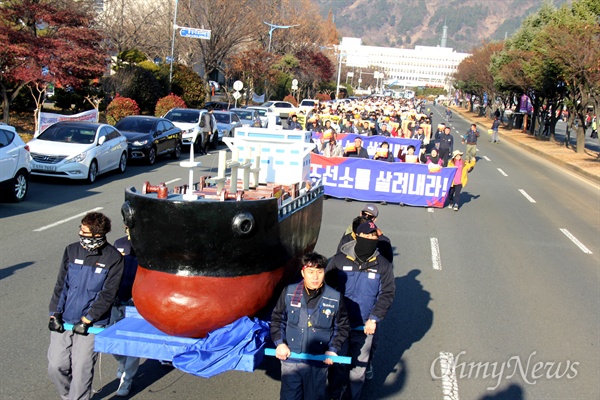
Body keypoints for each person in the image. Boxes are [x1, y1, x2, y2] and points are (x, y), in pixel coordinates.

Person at [47, 212, 124, 400]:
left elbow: (108, 294)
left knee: (81, 370)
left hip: (91, 325)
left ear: (96, 235)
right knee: (56, 366)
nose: (80, 233)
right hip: (64, 320)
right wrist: (54, 313)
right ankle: (68, 396)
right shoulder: (71, 250)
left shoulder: (113, 258)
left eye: (84, 231)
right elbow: (61, 284)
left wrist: (87, 319)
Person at [326, 221, 395, 400]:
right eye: (367, 236)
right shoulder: (339, 260)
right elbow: (326, 288)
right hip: (339, 327)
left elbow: (387, 293)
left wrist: (374, 318)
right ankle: (334, 395)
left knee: (358, 372)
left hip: (365, 328)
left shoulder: (383, 265)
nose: (371, 239)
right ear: (357, 236)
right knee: (338, 366)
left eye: (374, 236)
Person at [271, 252, 350, 400]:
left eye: (319, 272)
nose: (315, 277)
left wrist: (333, 349)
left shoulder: (334, 298)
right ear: (303, 272)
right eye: (310, 272)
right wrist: (280, 343)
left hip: (318, 363)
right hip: (291, 361)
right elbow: (277, 320)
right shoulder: (289, 293)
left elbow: (342, 327)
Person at [111, 227, 140, 397]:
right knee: (113, 339)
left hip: (137, 303)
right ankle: (122, 361)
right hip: (116, 299)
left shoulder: (149, 246)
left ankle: (127, 379)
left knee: (134, 344)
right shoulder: (119, 244)